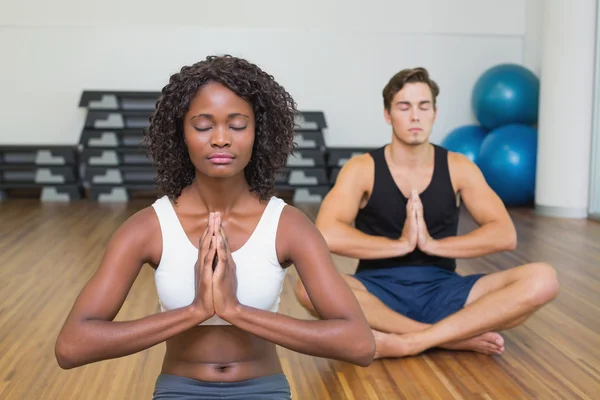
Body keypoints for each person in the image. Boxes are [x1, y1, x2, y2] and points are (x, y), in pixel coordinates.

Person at [54, 55, 375, 399]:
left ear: (258, 133)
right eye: (204, 126)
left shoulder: (288, 226)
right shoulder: (148, 228)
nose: (220, 139)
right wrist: (196, 311)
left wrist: (235, 311)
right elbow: (72, 347)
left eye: (237, 125)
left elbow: (358, 344)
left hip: (262, 390)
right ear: (181, 134)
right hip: (180, 390)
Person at [295, 66, 560, 359]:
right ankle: (447, 337)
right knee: (307, 287)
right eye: (404, 107)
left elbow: (504, 234)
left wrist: (433, 245)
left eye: (423, 106)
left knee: (543, 279)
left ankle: (412, 340)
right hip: (376, 290)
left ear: (434, 113)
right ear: (388, 115)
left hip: (444, 288)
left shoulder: (459, 167)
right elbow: (326, 234)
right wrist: (400, 245)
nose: (415, 116)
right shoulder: (362, 168)